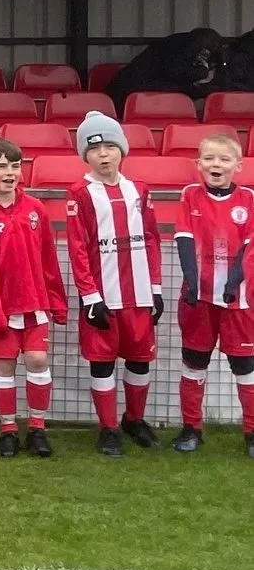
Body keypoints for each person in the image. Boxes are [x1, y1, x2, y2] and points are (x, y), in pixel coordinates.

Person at [65, 112, 164, 458]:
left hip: (138, 295)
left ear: (122, 150)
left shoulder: (139, 189)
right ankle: (107, 428)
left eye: (110, 146)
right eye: (95, 149)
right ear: (85, 155)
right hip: (103, 297)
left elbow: (152, 239)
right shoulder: (80, 193)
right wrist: (90, 296)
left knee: (140, 360)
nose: (104, 154)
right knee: (102, 362)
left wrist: (156, 288)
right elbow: (77, 247)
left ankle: (133, 420)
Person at [0, 139, 64, 458]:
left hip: (35, 303)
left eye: (15, 166)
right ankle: (7, 429)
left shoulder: (35, 209)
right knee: (4, 365)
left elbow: (48, 257)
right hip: (2, 309)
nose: (10, 173)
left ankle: (37, 427)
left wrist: (57, 301)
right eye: (1, 166)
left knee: (37, 359)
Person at [173, 132, 252, 456]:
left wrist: (233, 283)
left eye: (223, 159)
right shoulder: (190, 194)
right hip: (199, 299)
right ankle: (192, 428)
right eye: (209, 158)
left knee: (245, 365)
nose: (215, 164)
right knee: (194, 362)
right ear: (198, 164)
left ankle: (251, 432)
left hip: (240, 301)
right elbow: (184, 237)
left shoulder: (248, 199)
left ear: (238, 165)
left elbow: (249, 247)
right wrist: (192, 281)